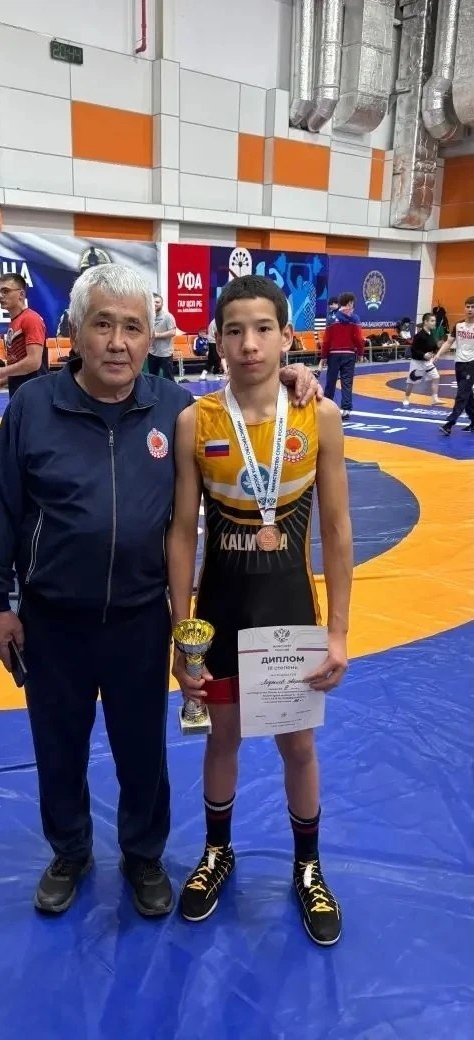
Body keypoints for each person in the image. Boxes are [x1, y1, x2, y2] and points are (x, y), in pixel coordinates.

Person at [0, 263, 322, 918]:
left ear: (149, 335)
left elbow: (240, 399)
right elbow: (4, 508)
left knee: (142, 750)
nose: (117, 342)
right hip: (53, 618)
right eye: (102, 325)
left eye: (132, 327)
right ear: (74, 331)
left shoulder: (173, 407)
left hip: (140, 618)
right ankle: (70, 851)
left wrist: (286, 376)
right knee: (58, 745)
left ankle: (142, 855)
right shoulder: (32, 409)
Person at [167, 274, 353, 946]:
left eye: (262, 329)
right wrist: (181, 635)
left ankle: (308, 867)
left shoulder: (317, 416)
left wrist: (338, 632)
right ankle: (218, 851)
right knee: (220, 737)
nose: (249, 344)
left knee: (297, 746)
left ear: (286, 337)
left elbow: (337, 529)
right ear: (216, 341)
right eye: (235, 330)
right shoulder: (196, 421)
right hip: (220, 614)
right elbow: (181, 533)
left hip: (289, 613)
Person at [0, 273, 48, 401]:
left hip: (34, 394)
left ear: (21, 294)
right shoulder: (16, 321)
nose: (0, 296)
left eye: (6, 291)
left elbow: (34, 362)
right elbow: (17, 363)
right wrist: (1, 381)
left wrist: (2, 372)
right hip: (20, 392)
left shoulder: (31, 319)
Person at [320, 292, 365, 419]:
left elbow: (326, 340)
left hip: (333, 355)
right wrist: (360, 353)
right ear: (350, 303)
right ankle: (346, 410)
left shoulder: (331, 319)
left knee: (331, 382)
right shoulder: (355, 319)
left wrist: (324, 356)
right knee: (347, 382)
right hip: (349, 354)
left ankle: (327, 408)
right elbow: (359, 339)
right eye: (352, 303)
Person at [434, 296, 474, 435]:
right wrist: (438, 354)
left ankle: (449, 423)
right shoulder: (458, 325)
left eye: (473, 307)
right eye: (468, 306)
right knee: (468, 395)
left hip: (472, 363)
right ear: (464, 308)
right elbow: (449, 342)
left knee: (462, 394)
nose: (470, 309)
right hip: (459, 363)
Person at [402, 312, 440, 407]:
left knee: (436, 377)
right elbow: (414, 350)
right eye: (432, 321)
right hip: (417, 363)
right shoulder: (419, 336)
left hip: (428, 363)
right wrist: (423, 355)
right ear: (425, 322)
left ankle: (435, 398)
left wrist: (436, 350)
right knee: (411, 382)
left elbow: (433, 347)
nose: (434, 323)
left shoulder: (431, 334)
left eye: (434, 321)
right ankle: (406, 398)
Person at [147, 293, 176, 381]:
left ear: (162, 304)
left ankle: (170, 390)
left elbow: (173, 332)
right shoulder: (150, 317)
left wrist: (157, 335)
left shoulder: (168, 316)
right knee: (152, 378)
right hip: (152, 353)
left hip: (165, 354)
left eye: (157, 302)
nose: (155, 304)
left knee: (169, 379)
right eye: (153, 302)